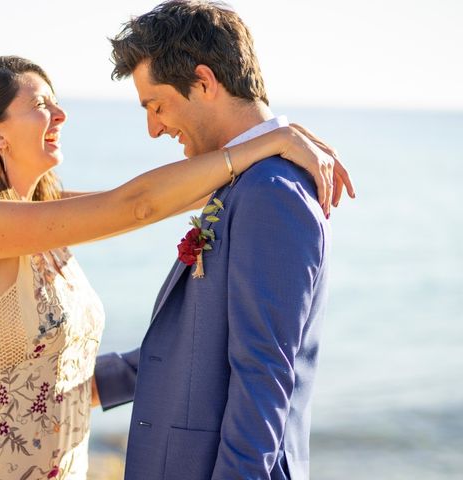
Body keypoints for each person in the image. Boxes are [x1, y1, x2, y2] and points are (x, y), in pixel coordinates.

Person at [0, 55, 347, 480]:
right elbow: (136, 205)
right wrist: (267, 142)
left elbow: (178, 198)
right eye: (41, 105)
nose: (61, 114)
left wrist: (278, 147)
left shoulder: (40, 213)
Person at [92, 2, 356, 479]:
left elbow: (263, 379)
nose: (154, 128)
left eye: (156, 105)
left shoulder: (272, 194)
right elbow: (204, 343)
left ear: (205, 82)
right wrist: (97, 382)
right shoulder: (246, 180)